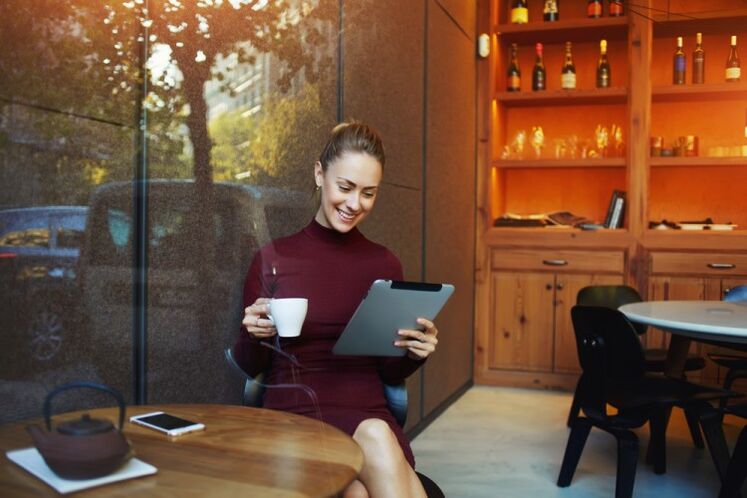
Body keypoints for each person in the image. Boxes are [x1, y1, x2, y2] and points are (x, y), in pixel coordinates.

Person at [235, 121, 438, 498]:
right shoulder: (273, 258)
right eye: (345, 187)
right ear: (319, 174)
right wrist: (252, 333)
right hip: (296, 415)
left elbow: (390, 368)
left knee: (376, 435)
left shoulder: (385, 264)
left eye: (368, 193)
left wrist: (414, 353)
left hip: (367, 412)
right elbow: (251, 366)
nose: (353, 204)